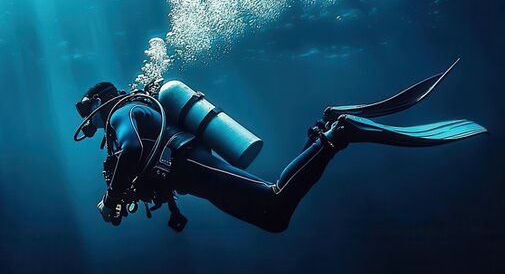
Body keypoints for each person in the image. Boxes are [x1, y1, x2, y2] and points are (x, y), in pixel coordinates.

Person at [74, 62, 486, 233]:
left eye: (85, 114)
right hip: (193, 178)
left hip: (192, 165)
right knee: (275, 220)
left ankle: (339, 132)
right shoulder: (127, 113)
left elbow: (130, 151)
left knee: (274, 198)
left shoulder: (120, 113)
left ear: (97, 104)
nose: (88, 125)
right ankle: (323, 133)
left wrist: (110, 201)